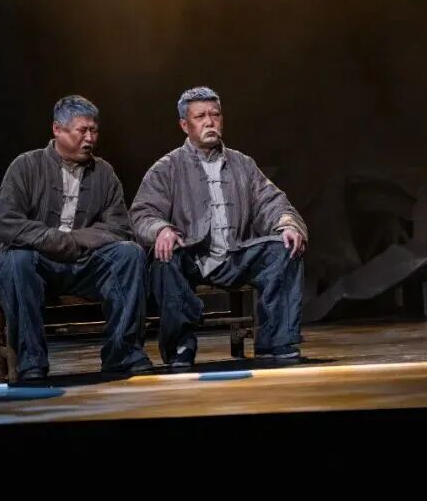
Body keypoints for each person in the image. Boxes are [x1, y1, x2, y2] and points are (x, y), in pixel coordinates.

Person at [130, 86, 308, 368]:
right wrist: (161, 229)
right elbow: (142, 214)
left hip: (236, 254)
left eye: (215, 115)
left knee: (284, 247)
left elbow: (271, 202)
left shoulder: (243, 164)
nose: (210, 122)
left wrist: (286, 224)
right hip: (191, 256)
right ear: (184, 125)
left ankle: (276, 341)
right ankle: (180, 345)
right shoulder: (167, 167)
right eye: (200, 116)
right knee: (165, 258)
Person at [0, 95, 152, 383]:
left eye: (94, 131)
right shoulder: (26, 166)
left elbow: (119, 228)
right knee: (16, 260)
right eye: (82, 130)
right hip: (36, 262)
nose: (90, 138)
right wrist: (52, 239)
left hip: (83, 262)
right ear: (57, 129)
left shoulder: (103, 172)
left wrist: (75, 240)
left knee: (130, 253)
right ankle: (31, 360)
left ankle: (123, 353)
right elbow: (6, 223)